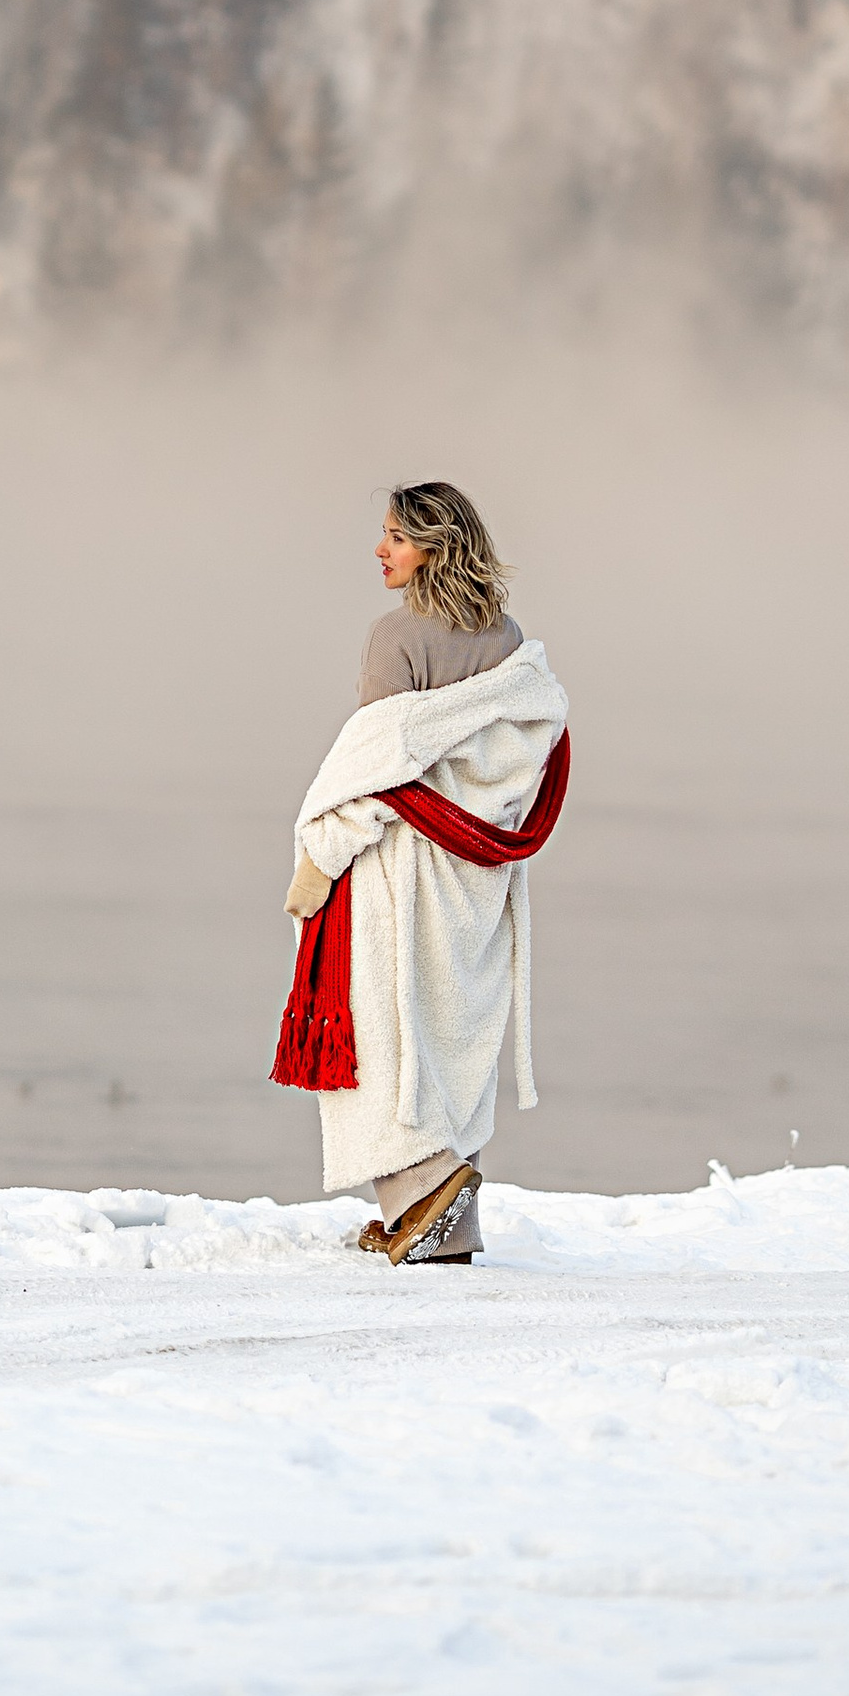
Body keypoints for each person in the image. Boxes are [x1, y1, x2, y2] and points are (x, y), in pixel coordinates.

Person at [272, 479, 570, 1267]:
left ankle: (429, 1188)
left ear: (435, 547)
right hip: (477, 873)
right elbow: (519, 762)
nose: (380, 550)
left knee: (380, 1033)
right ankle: (441, 1215)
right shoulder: (509, 642)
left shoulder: (394, 638)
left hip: (402, 866)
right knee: (443, 1028)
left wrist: (316, 866)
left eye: (396, 538)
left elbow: (370, 776)